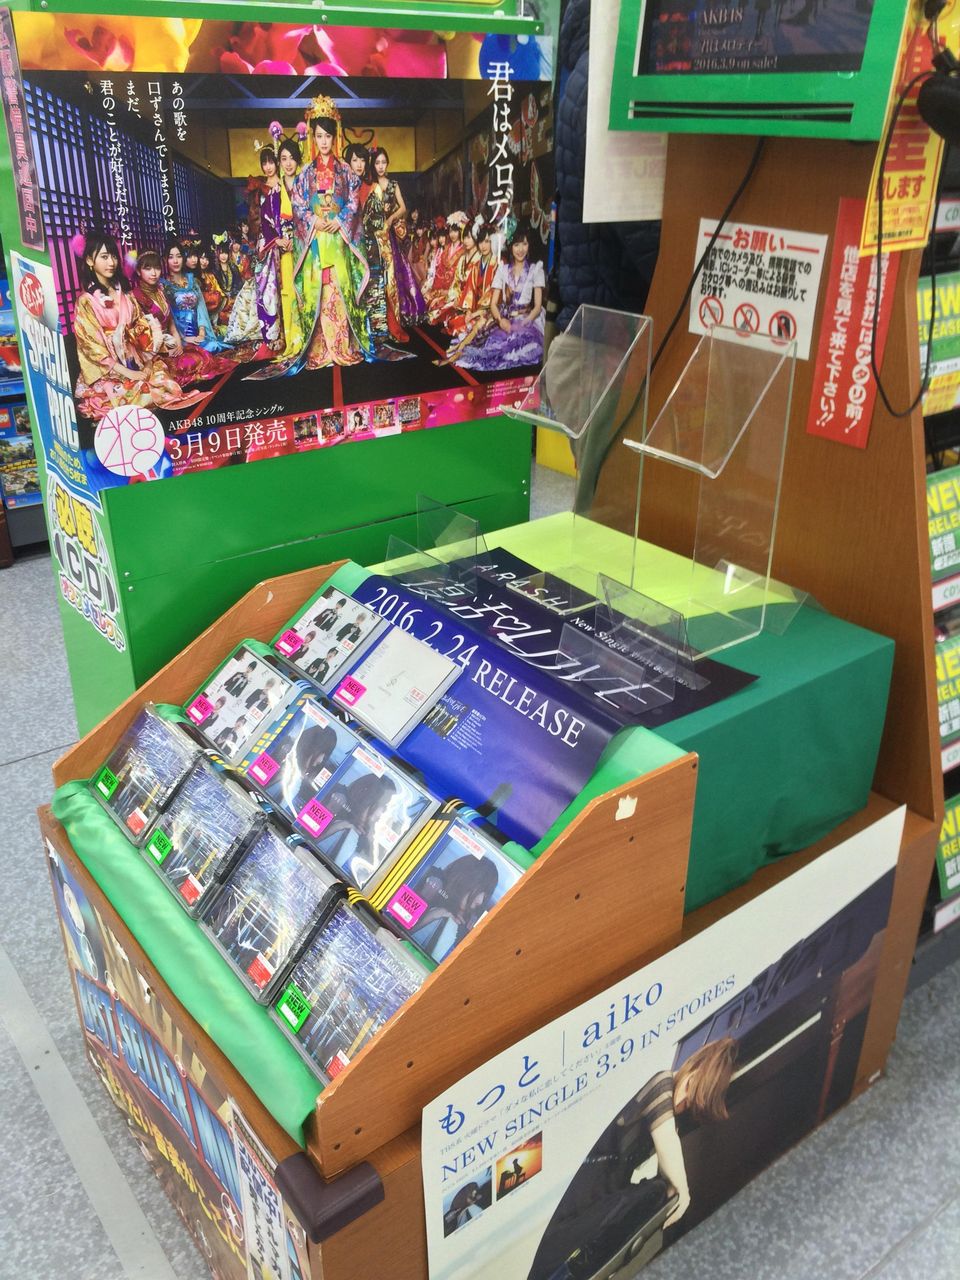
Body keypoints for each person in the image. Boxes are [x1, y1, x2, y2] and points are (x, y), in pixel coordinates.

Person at [527, 1039, 737, 1280]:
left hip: (607, 1190)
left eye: (690, 1103)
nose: (683, 1101)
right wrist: (684, 1195)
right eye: (690, 1086)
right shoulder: (661, 1084)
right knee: (549, 1259)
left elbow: (668, 1174)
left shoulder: (671, 1115)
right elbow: (668, 1146)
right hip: (586, 1185)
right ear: (691, 1067)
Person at [267, 97, 373, 373]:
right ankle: (320, 348)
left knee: (339, 289)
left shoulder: (345, 170)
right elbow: (298, 203)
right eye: (319, 136)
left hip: (338, 238)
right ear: (313, 138)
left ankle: (342, 345)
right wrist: (313, 219)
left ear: (334, 137)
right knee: (318, 291)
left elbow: (354, 200)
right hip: (315, 238)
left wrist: (339, 220)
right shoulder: (306, 172)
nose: (324, 141)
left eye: (328, 136)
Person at [72, 232, 204, 421]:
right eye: (104, 257)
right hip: (111, 369)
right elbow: (92, 346)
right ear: (89, 261)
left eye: (113, 256)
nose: (111, 262)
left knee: (164, 383)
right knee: (136, 396)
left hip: (136, 358)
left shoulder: (125, 294)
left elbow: (141, 328)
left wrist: (147, 363)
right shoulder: (86, 301)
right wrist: (130, 373)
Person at [132, 251, 234, 384]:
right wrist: (174, 343)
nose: (153, 273)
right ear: (138, 271)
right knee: (191, 362)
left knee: (205, 354)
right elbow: (139, 335)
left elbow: (171, 321)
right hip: (154, 350)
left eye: (156, 268)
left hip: (175, 340)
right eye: (147, 268)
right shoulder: (137, 296)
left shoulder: (160, 291)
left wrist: (182, 341)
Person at [454, 225, 545, 372]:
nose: (520, 249)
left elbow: (537, 307)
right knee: (493, 349)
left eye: (524, 244)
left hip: (527, 319)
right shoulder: (503, 269)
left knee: (527, 347)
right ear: (510, 247)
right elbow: (493, 304)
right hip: (506, 318)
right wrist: (501, 320)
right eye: (516, 245)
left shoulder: (535, 270)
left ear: (529, 246)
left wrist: (523, 323)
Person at [362, 146, 424, 344]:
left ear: (387, 164)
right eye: (377, 163)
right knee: (376, 278)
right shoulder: (369, 185)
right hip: (373, 237)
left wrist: (390, 219)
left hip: (388, 237)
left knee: (392, 276)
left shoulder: (392, 185)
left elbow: (403, 207)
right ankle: (378, 321)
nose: (380, 166)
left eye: (383, 162)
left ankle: (396, 316)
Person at [409, 854, 499, 962]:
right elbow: (396, 928)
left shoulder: (464, 918)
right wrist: (433, 914)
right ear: (466, 879)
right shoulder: (432, 882)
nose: (480, 901)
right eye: (481, 890)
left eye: (485, 896)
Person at [316, 771, 399, 882]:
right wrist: (339, 826)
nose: (384, 813)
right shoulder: (339, 802)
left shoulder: (362, 833)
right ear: (371, 801)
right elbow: (306, 840)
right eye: (384, 806)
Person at [436, 223, 499, 366]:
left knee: (475, 327)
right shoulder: (477, 266)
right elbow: (470, 288)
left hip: (491, 310)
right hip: (475, 307)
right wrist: (469, 310)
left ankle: (459, 350)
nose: (483, 246)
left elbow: (493, 294)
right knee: (455, 323)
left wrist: (476, 313)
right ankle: (459, 348)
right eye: (481, 241)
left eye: (487, 242)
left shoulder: (496, 264)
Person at [163, 241, 236, 356]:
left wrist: (202, 332)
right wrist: (183, 338)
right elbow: (170, 318)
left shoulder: (192, 281)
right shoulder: (164, 286)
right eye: (171, 257)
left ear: (183, 258)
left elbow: (200, 309)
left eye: (179, 256)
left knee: (215, 347)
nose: (175, 261)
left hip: (199, 333)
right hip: (180, 337)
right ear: (165, 260)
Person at [277, 131, 307, 358]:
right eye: (284, 158)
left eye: (292, 158)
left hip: (304, 247)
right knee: (287, 292)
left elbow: (311, 216)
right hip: (284, 251)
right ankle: (293, 339)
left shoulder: (305, 185)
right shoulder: (274, 190)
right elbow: (268, 224)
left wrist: (297, 238)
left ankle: (309, 337)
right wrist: (278, 240)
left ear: (298, 160)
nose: (288, 163)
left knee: (306, 290)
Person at [425, 213, 467, 325]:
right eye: (451, 231)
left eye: (456, 231)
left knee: (438, 310)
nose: (453, 234)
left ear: (460, 232)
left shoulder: (464, 251)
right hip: (442, 287)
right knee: (428, 300)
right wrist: (438, 289)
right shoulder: (447, 248)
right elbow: (440, 270)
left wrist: (449, 291)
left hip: (454, 290)